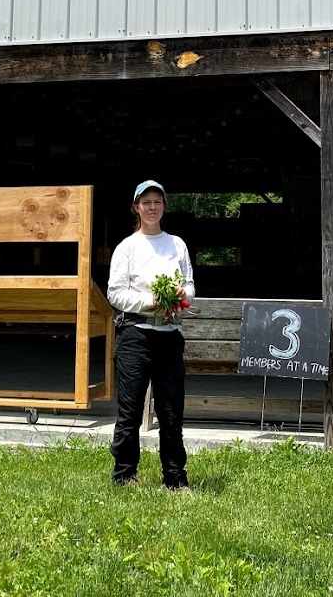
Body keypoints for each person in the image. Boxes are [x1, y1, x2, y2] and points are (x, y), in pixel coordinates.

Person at [106, 180, 195, 489]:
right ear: (136, 207)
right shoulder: (127, 247)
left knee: (171, 411)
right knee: (129, 411)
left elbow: (190, 284)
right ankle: (124, 474)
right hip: (135, 334)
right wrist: (149, 303)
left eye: (157, 201)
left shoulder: (177, 244)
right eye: (146, 202)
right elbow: (115, 294)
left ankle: (175, 477)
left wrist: (181, 296)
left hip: (169, 335)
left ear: (164, 207)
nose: (152, 207)